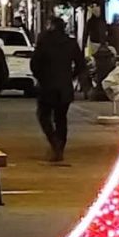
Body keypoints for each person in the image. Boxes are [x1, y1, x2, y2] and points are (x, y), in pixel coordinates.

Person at [31, 16, 86, 163]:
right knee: (61, 118)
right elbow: (81, 64)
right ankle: (59, 146)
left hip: (47, 86)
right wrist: (70, 76)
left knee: (44, 116)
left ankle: (54, 142)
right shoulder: (70, 43)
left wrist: (41, 77)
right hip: (64, 87)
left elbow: (34, 64)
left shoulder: (44, 42)